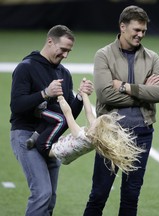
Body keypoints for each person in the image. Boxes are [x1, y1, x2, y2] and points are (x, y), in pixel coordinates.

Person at [83, 5, 159, 216]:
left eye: (144, 31)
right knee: (99, 194)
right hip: (110, 133)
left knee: (131, 195)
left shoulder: (152, 57)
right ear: (123, 27)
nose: (141, 35)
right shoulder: (103, 55)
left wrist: (125, 86)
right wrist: (144, 92)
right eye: (136, 30)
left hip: (142, 133)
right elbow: (105, 95)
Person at [10, 25, 94, 216]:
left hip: (50, 139)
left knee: (50, 198)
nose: (65, 55)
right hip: (25, 135)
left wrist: (80, 97)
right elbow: (16, 106)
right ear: (50, 41)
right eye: (63, 49)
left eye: (69, 51)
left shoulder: (63, 73)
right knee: (42, 193)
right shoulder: (26, 67)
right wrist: (45, 93)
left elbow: (68, 114)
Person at [49, 93, 145, 173]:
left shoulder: (81, 136)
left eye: (96, 121)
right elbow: (89, 113)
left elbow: (68, 113)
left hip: (54, 151)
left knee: (41, 141)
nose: (93, 121)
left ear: (97, 129)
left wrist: (61, 98)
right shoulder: (94, 137)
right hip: (65, 156)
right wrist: (84, 94)